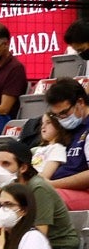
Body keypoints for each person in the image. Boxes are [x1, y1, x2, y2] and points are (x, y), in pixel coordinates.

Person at [42, 79, 89, 211]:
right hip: (59, 189)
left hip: (82, 192)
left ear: (80, 102)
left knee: (41, 196)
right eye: (56, 116)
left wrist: (52, 184)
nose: (62, 119)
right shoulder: (67, 130)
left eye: (64, 113)